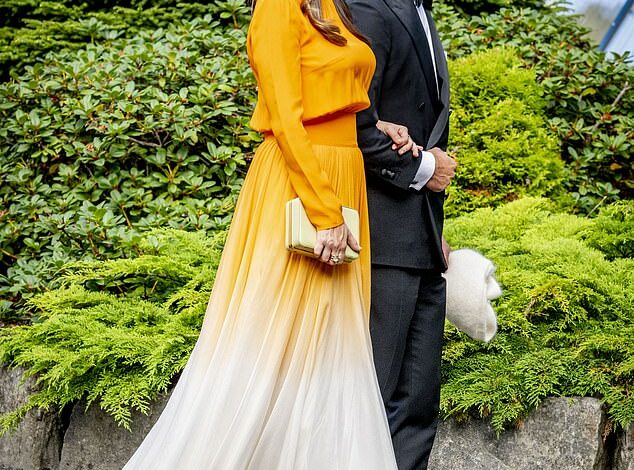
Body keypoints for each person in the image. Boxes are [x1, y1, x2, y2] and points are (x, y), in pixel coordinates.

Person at [122, 0, 415, 467]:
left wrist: (376, 124)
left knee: (327, 350)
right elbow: (284, 117)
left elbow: (330, 93)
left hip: (342, 175)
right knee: (271, 340)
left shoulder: (333, 7)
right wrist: (324, 212)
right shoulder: (278, 8)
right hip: (302, 184)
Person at [346, 0, 457, 468]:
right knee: (370, 400)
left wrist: (434, 228)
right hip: (378, 238)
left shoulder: (419, 7)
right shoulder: (366, 7)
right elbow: (351, 121)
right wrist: (423, 168)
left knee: (416, 408)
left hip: (420, 239)